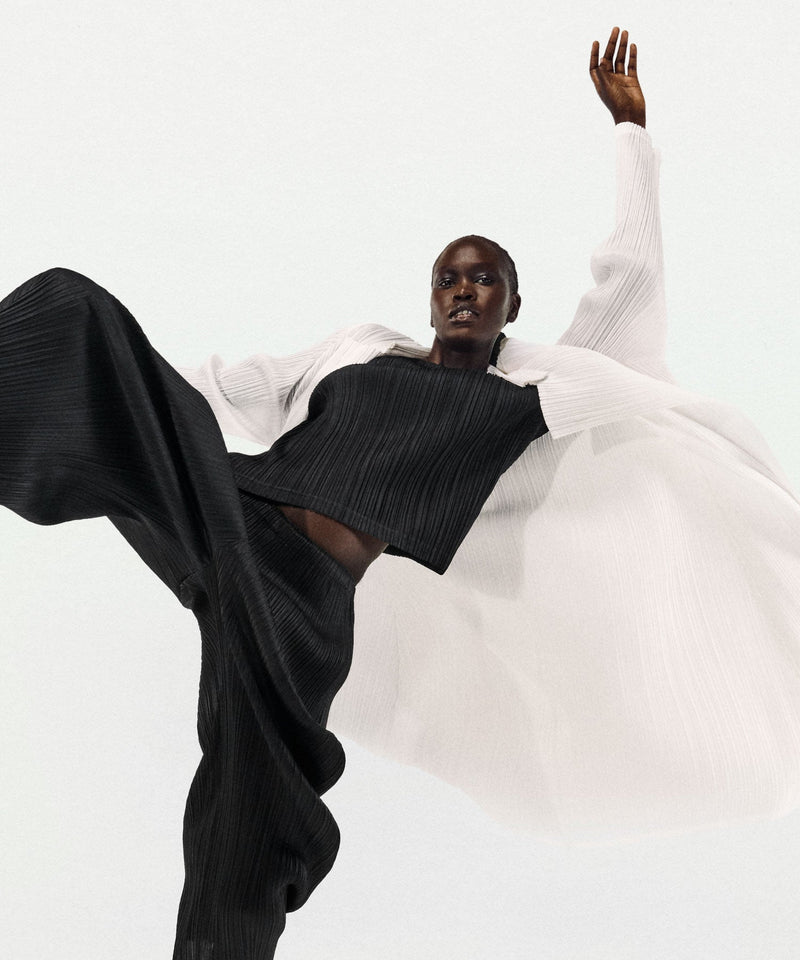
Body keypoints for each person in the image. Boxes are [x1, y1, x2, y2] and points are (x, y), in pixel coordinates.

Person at [2, 26, 799, 960]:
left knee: (243, 836)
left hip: (304, 605)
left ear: (511, 305)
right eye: (449, 279)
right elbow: (221, 388)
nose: (464, 291)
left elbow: (632, 288)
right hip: (232, 521)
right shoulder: (359, 351)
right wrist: (138, 402)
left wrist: (633, 135)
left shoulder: (534, 391)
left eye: (485, 280)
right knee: (75, 315)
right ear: (428, 300)